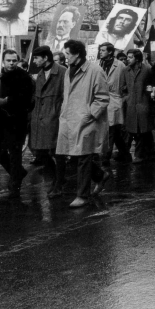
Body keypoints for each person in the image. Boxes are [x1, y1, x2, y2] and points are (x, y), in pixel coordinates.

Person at [56, 40, 110, 208]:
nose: (66, 58)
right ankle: (100, 175)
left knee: (84, 158)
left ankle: (82, 196)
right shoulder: (68, 72)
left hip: (87, 122)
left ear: (78, 54)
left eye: (68, 54)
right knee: (72, 156)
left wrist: (89, 115)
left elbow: (102, 98)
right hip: (69, 120)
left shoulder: (95, 70)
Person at [0, 49, 34, 198]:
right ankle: (17, 172)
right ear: (3, 61)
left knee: (14, 151)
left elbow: (25, 98)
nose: (11, 63)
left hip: (15, 119)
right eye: (8, 60)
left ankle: (15, 182)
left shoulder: (23, 76)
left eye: (14, 60)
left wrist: (5, 101)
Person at [28, 46, 67, 197]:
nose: (35, 61)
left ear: (45, 58)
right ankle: (54, 179)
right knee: (41, 152)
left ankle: (58, 184)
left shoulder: (62, 71)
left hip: (56, 118)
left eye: (37, 58)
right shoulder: (39, 74)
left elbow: (67, 96)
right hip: (39, 119)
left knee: (59, 153)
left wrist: (60, 114)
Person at [98, 42, 130, 166]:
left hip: (114, 100)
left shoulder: (120, 65)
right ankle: (125, 154)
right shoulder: (97, 64)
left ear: (110, 52)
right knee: (115, 132)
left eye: (103, 50)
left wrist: (123, 98)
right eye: (100, 50)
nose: (100, 52)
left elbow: (126, 83)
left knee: (110, 130)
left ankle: (106, 156)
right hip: (101, 100)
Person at [123, 48, 154, 164]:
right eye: (128, 57)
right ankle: (139, 153)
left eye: (130, 57)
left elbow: (152, 84)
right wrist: (126, 98)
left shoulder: (147, 69)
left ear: (137, 58)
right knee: (132, 131)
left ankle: (140, 154)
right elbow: (123, 87)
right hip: (131, 105)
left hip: (143, 103)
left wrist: (149, 93)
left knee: (143, 131)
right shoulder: (126, 70)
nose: (128, 59)